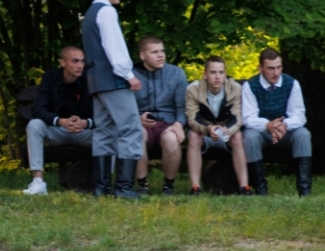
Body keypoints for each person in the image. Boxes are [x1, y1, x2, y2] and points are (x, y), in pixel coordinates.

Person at [80, 0, 145, 199]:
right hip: (113, 78)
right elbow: (113, 46)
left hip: (95, 80)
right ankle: (124, 188)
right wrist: (128, 74)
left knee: (104, 131)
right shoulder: (106, 11)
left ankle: (102, 188)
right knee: (131, 129)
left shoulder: (90, 13)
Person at [22, 46, 94, 195]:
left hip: (84, 131)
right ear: (62, 62)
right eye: (75, 61)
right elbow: (38, 110)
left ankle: (104, 182)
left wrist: (85, 123)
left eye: (82, 61)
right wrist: (60, 121)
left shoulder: (89, 79)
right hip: (57, 131)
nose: (80, 65)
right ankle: (38, 183)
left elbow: (103, 115)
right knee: (34, 125)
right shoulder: (51, 78)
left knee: (112, 131)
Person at [241, 47, 311, 196]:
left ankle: (304, 189)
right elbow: (248, 118)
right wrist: (268, 125)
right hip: (261, 132)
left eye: (279, 67)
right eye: (271, 68)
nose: (276, 73)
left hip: (285, 131)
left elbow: (299, 115)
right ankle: (261, 189)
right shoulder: (250, 86)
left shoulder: (291, 83)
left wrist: (283, 125)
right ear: (260, 68)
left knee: (303, 135)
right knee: (250, 137)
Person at [185, 56, 252, 195]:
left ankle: (244, 187)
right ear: (205, 74)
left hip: (226, 131)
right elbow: (192, 119)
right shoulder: (193, 90)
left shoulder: (235, 89)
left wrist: (228, 130)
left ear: (225, 74)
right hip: (204, 132)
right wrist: (207, 129)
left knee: (238, 136)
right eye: (213, 72)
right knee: (193, 137)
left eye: (221, 72)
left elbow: (237, 118)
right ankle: (195, 187)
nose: (217, 77)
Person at [130, 35, 188, 194]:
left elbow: (183, 107)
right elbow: (125, 107)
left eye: (162, 51)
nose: (161, 55)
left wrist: (179, 124)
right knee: (136, 134)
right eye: (154, 52)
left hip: (167, 123)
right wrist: (136, 119)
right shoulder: (131, 75)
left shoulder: (176, 73)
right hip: (141, 124)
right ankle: (142, 186)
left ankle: (168, 186)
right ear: (143, 55)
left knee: (171, 138)